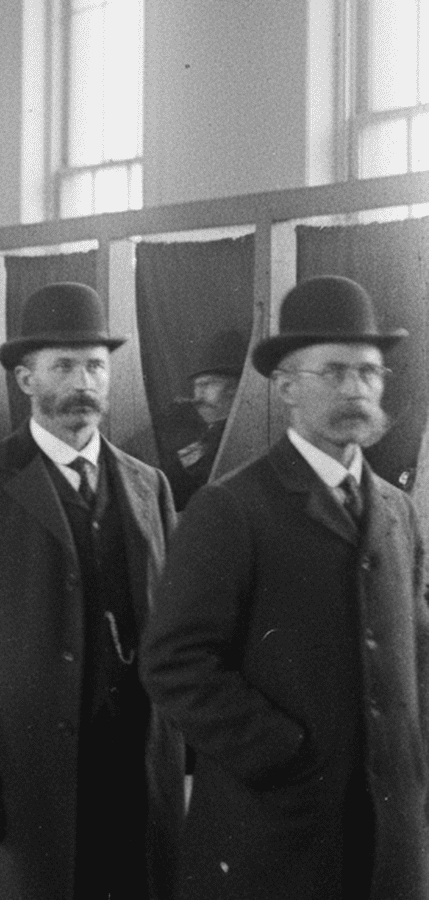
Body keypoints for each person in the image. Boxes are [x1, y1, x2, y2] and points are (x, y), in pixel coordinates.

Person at [141, 275, 429, 900]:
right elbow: (173, 662)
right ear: (288, 388)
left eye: (370, 372)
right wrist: (284, 752)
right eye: (334, 372)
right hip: (277, 832)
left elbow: (417, 651)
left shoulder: (399, 511)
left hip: (390, 837)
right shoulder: (233, 509)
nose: (356, 389)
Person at [0, 282, 179, 900]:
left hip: (133, 769)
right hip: (20, 772)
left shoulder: (147, 487)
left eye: (95, 367)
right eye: (64, 366)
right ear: (26, 380)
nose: (83, 382)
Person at [159, 329, 244, 511]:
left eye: (209, 383)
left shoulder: (242, 434)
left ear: (234, 389)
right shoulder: (199, 436)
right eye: (197, 385)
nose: (199, 395)